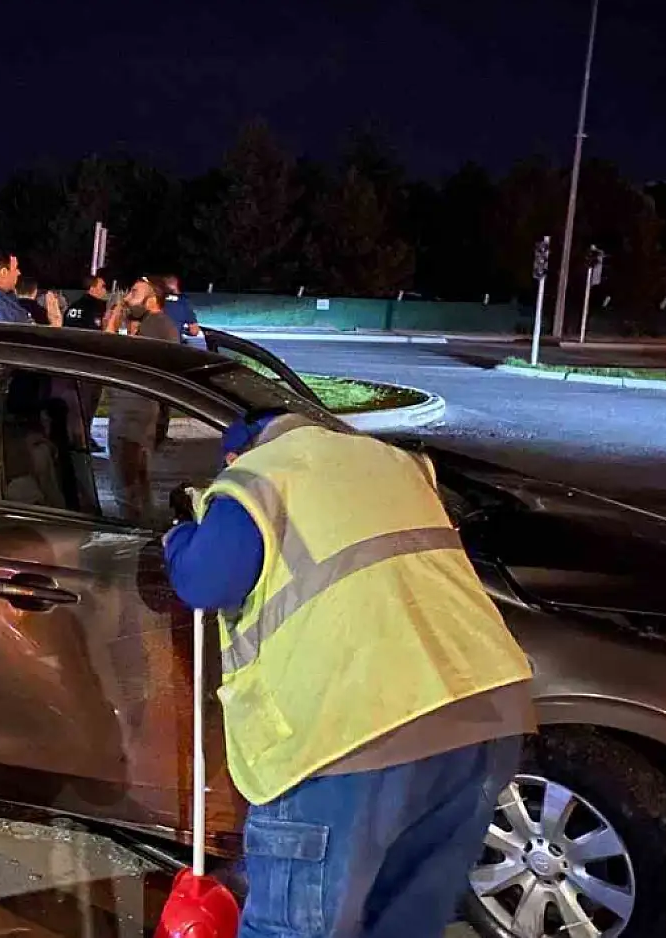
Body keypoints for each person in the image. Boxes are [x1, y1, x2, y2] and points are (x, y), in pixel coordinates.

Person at [160, 411, 535, 937]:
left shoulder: (259, 476)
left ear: (235, 454)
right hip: (483, 716)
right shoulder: (395, 464)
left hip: (351, 734)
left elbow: (204, 580)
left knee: (295, 927)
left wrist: (178, 538)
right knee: (403, 921)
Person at [102, 278, 178, 521]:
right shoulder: (155, 325)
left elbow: (108, 347)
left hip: (132, 418)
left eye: (133, 293)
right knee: (137, 485)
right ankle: (144, 531)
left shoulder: (158, 327)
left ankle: (134, 537)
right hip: (136, 415)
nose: (127, 298)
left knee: (126, 487)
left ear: (151, 300)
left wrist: (114, 315)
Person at [157, 274, 201, 343]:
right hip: (173, 343)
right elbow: (194, 331)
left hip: (154, 342)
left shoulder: (156, 298)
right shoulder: (184, 302)